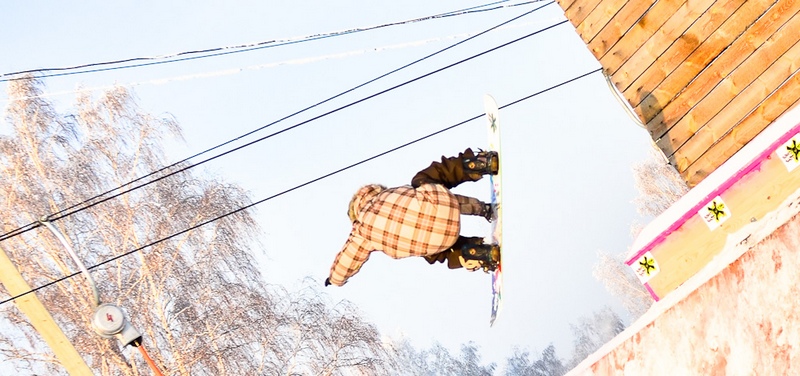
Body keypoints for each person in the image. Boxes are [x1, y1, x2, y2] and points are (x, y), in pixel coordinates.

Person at [325, 148, 500, 287]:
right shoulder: (384, 195)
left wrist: (334, 279)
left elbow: (347, 260)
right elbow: (447, 203)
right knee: (424, 180)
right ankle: (476, 164)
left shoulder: (361, 233)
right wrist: (482, 208)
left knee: (431, 252)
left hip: (440, 240)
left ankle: (477, 254)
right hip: (441, 203)